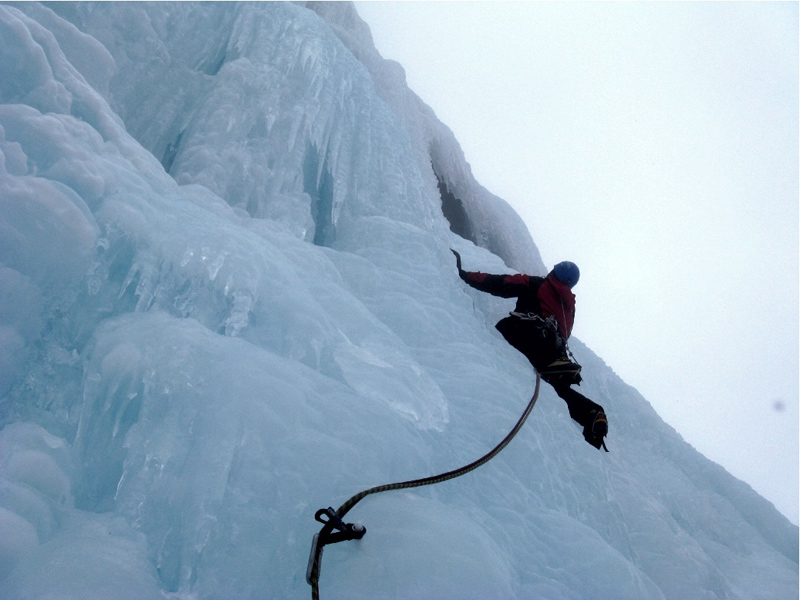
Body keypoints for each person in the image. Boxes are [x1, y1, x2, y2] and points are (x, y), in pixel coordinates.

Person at [451, 249, 608, 451]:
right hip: (553, 352)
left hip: (527, 335)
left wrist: (464, 275)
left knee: (500, 329)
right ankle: (592, 412)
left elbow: (500, 283)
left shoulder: (537, 284)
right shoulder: (569, 308)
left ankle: (544, 362)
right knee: (558, 390)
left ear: (554, 272)